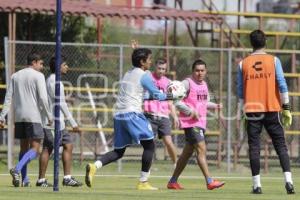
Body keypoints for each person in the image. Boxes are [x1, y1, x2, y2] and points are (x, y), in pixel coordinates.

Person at [85, 48, 180, 190]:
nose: (150, 61)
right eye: (149, 59)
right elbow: (157, 95)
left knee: (119, 152)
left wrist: (136, 50)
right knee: (150, 146)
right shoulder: (144, 76)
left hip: (119, 115)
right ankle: (143, 182)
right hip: (132, 114)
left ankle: (94, 166)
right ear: (142, 62)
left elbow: (144, 95)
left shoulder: (128, 74)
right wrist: (174, 95)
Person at [237, 29, 295, 194]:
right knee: (281, 146)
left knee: (254, 147)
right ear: (265, 43)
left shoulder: (243, 64)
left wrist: (241, 111)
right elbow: (282, 85)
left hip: (252, 110)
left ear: (251, 43)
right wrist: (287, 108)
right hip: (272, 108)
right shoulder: (273, 60)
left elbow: (240, 91)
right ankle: (289, 182)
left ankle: (257, 185)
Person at [167, 59, 225, 190]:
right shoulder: (187, 83)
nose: (200, 73)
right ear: (193, 71)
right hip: (191, 124)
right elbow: (175, 100)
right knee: (201, 148)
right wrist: (190, 111)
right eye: (197, 70)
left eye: (202, 70)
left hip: (200, 123)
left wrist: (215, 106)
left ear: (206, 71)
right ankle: (209, 181)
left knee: (186, 154)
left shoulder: (204, 84)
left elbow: (204, 103)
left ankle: (173, 181)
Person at [0, 53, 52, 187]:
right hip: (34, 116)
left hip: (19, 117)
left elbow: (8, 98)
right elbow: (43, 98)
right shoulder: (38, 76)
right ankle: (17, 169)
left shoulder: (15, 76)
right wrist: (49, 115)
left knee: (23, 149)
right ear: (34, 62)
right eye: (40, 64)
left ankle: (24, 180)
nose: (42, 67)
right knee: (35, 150)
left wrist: (2, 116)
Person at [36, 56, 82, 187]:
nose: (67, 67)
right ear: (58, 66)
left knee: (68, 145)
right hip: (52, 123)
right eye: (65, 64)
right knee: (48, 149)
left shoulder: (55, 81)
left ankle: (67, 178)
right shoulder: (54, 82)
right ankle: (41, 180)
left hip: (59, 122)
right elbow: (61, 103)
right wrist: (73, 123)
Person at [144, 58, 178, 167]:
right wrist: (136, 50)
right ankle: (147, 169)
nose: (161, 71)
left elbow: (170, 102)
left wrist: (175, 117)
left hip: (164, 117)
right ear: (155, 67)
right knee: (149, 144)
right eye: (159, 68)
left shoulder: (168, 83)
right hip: (150, 116)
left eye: (163, 69)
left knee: (168, 142)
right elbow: (140, 65)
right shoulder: (148, 77)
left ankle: (176, 164)